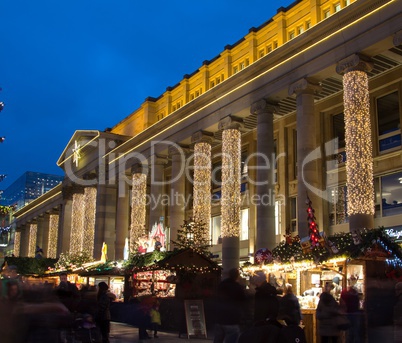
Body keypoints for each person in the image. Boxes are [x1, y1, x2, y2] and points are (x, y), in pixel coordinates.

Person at [213, 268, 246, 343]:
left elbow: (216, 297)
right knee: (231, 338)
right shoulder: (237, 287)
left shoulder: (222, 285)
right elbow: (243, 299)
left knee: (218, 339)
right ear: (237, 276)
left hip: (220, 317)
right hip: (232, 319)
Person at [340, 277, 361, 343]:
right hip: (355, 313)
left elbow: (341, 302)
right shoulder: (355, 291)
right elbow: (358, 302)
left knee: (348, 332)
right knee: (355, 331)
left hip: (348, 313)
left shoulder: (344, 291)